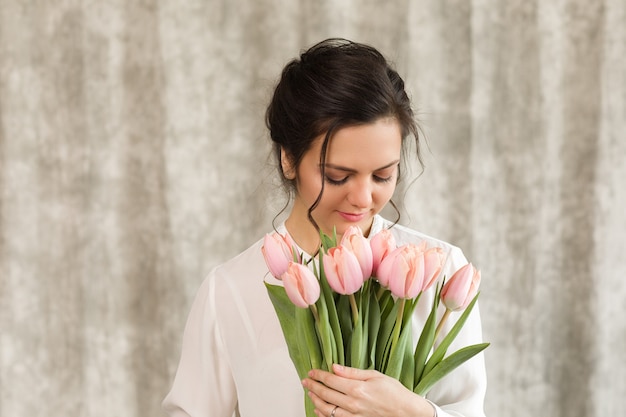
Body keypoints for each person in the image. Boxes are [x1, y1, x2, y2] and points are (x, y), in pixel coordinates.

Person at [162, 38, 487, 417]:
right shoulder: (231, 290)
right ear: (288, 159)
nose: (363, 198)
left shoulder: (436, 269)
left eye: (383, 175)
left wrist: (412, 412)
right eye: (337, 176)